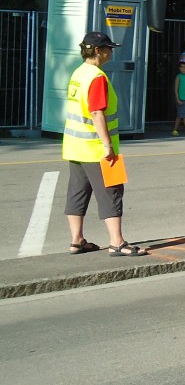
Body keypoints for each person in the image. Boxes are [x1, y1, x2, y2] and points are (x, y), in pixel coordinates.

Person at [63, 31, 148, 257]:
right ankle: (117, 243)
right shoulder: (97, 77)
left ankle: (77, 240)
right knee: (112, 192)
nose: (111, 52)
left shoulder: (78, 73)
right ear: (98, 51)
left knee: (77, 193)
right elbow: (96, 112)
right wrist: (107, 145)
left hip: (75, 146)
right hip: (96, 148)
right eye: (108, 48)